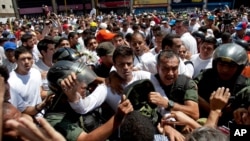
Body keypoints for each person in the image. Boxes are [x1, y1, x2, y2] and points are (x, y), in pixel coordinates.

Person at [45, 60, 134, 141]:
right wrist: (118, 117)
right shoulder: (54, 119)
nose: (85, 86)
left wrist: (113, 76)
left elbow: (104, 83)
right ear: (63, 90)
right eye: (77, 83)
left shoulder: (81, 96)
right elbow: (86, 139)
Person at [193, 43, 250, 126]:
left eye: (231, 66)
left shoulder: (245, 85)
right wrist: (206, 104)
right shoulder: (205, 76)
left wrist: (245, 109)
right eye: (221, 64)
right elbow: (190, 87)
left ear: (239, 68)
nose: (225, 70)